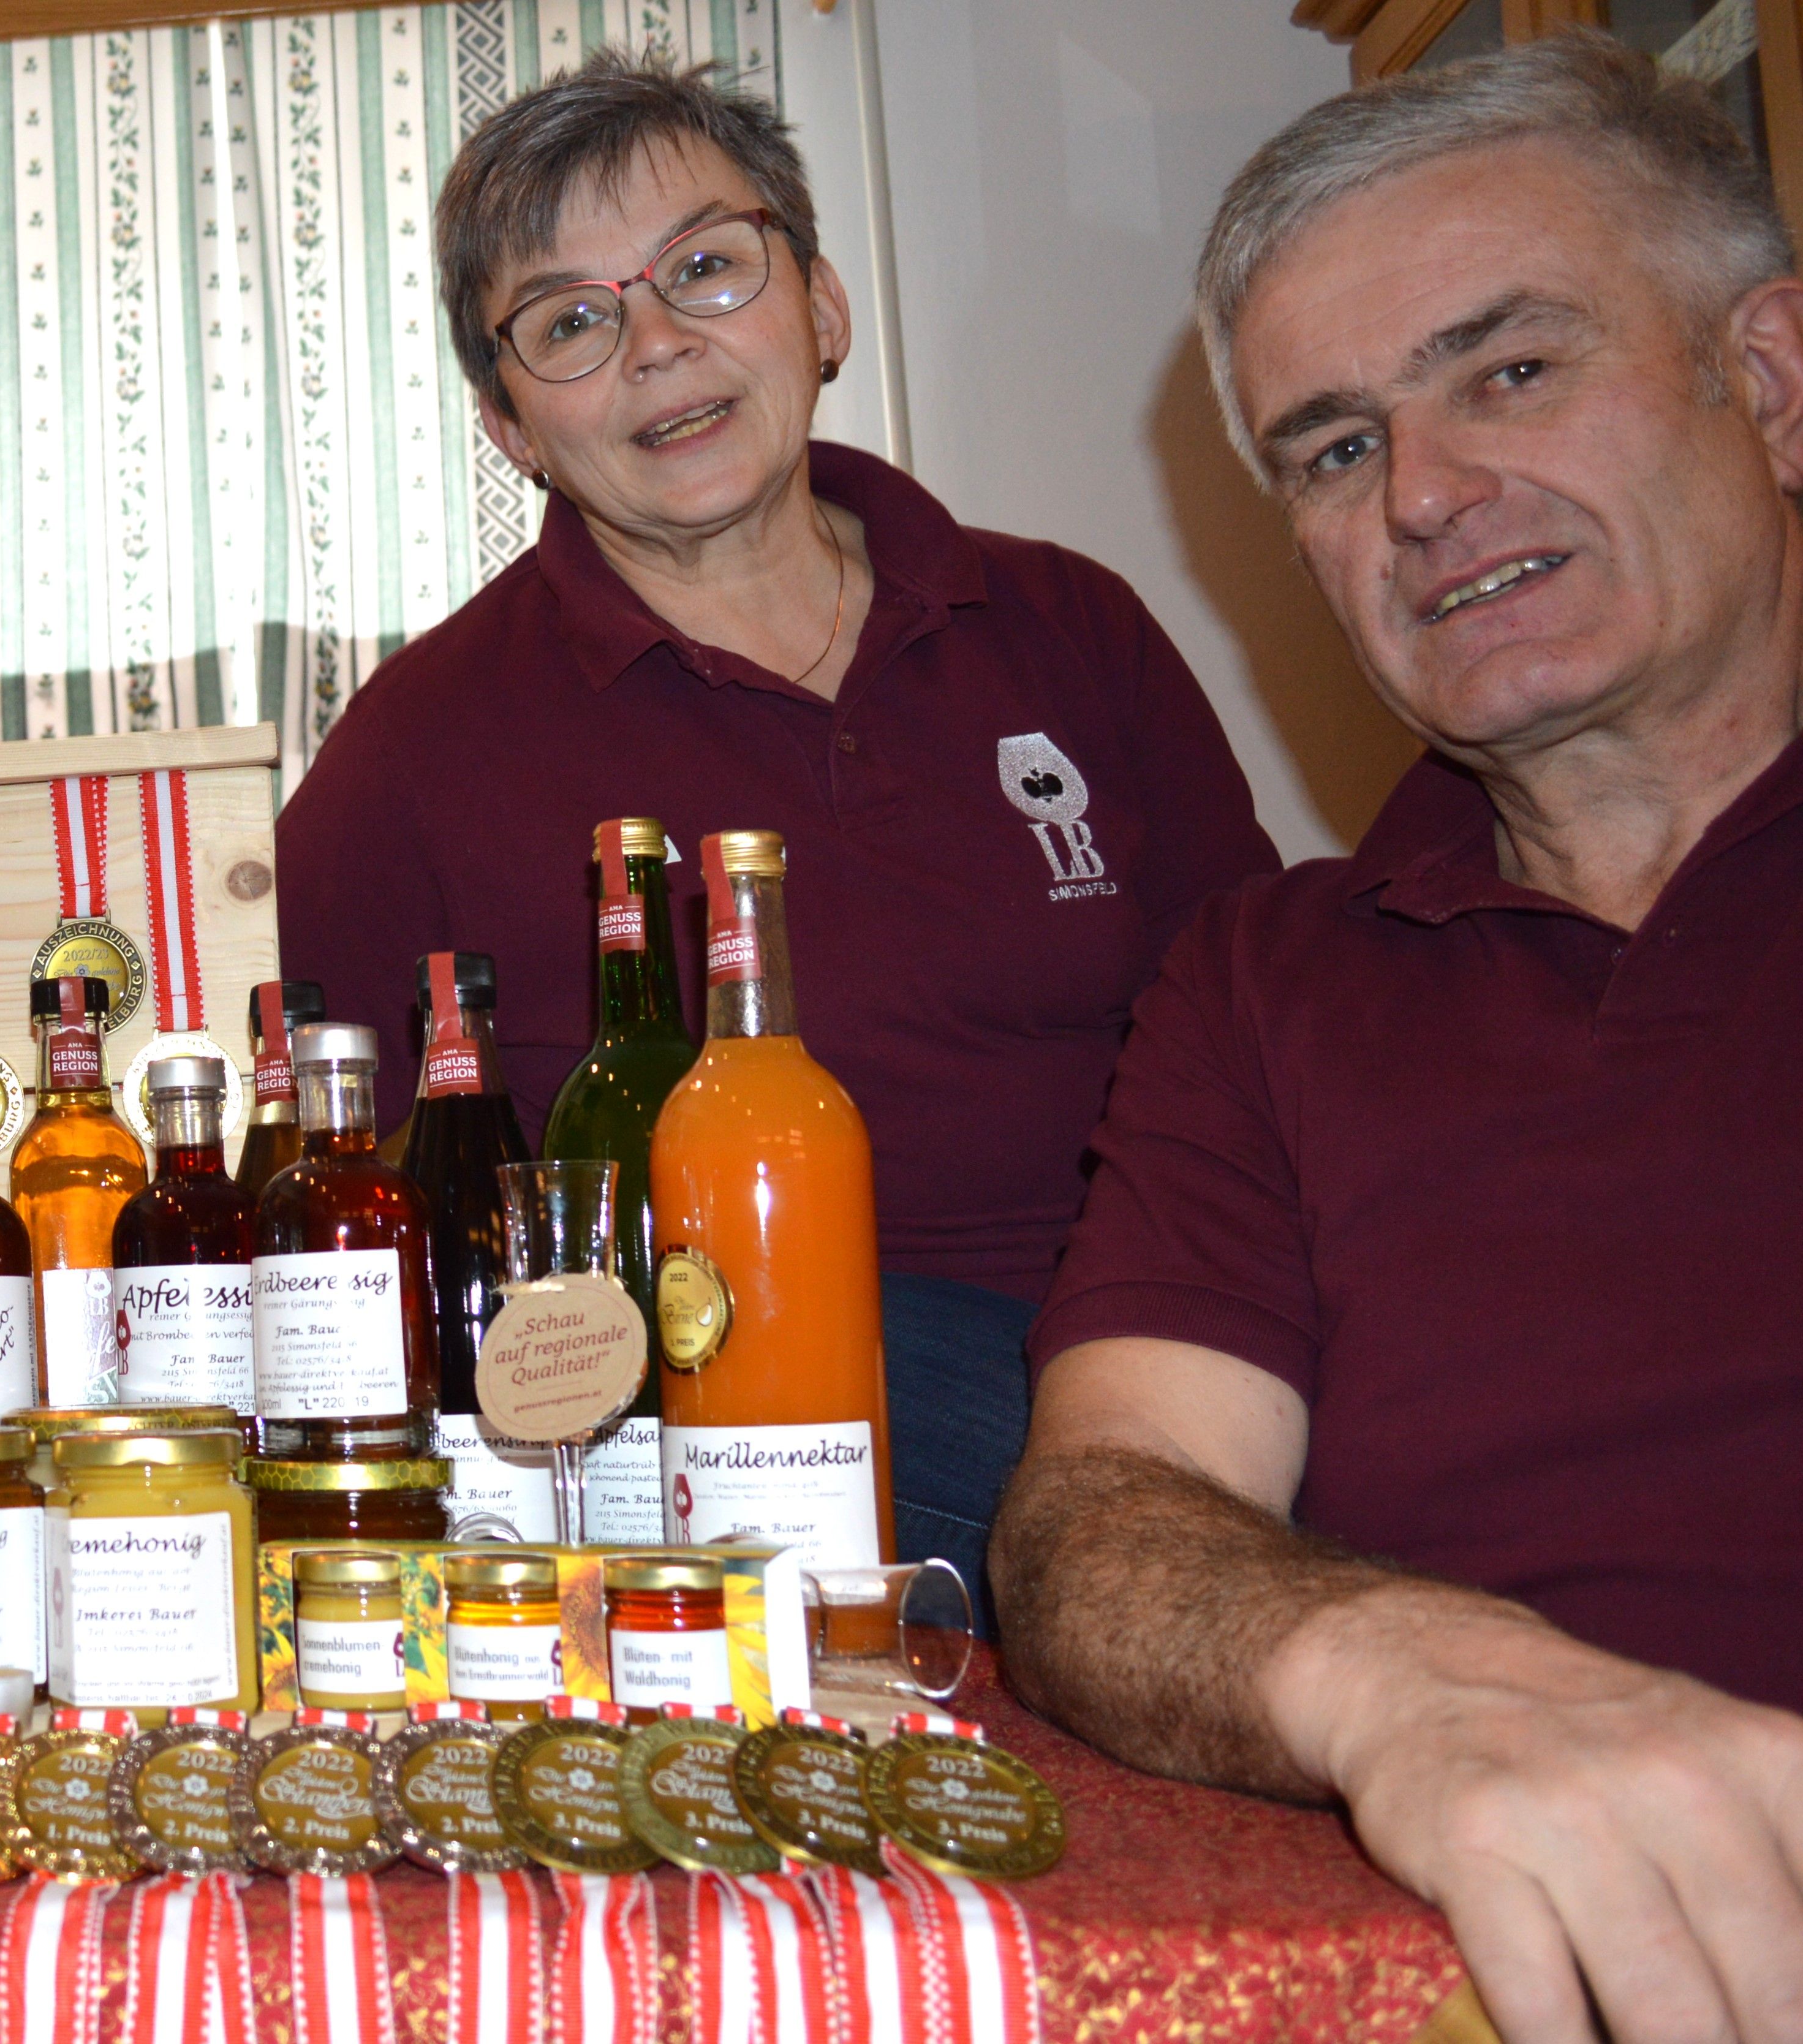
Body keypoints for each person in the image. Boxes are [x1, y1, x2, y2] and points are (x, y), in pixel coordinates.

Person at [995, 37, 1803, 2044]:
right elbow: (1100, 1520)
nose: (1428, 494)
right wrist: (1401, 1674)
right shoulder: (1265, 976)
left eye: (1508, 368)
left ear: (1769, 378)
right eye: (1332, 448)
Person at [274, 52, 1279, 1599]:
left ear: (817, 304)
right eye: (570, 320)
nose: (658, 344)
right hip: (735, 1409)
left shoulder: (1066, 625)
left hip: (1152, 1329)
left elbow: (1258, 1037)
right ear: (510, 426)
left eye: (704, 267)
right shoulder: (406, 755)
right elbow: (352, 1227)